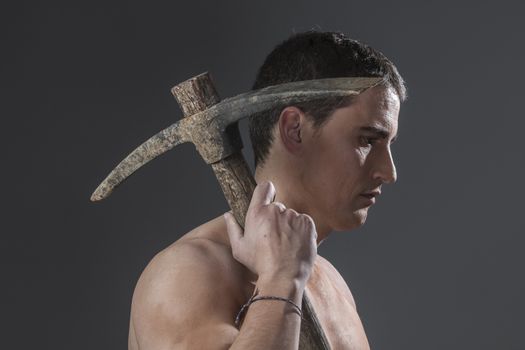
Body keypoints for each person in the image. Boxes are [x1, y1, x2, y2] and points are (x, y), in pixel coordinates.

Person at [128, 30, 407, 350]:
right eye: (367, 140)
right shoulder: (185, 274)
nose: (389, 172)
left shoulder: (331, 285)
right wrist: (280, 281)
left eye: (389, 144)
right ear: (294, 130)